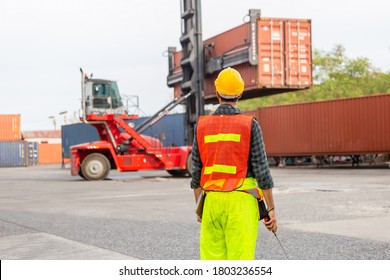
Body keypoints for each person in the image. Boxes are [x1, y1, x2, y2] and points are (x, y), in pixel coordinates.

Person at [190, 67, 277, 260]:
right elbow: (262, 173)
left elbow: (196, 174)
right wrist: (270, 210)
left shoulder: (202, 125)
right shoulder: (249, 125)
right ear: (241, 93)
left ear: (217, 93)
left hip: (211, 203)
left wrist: (200, 208)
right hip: (241, 203)